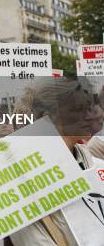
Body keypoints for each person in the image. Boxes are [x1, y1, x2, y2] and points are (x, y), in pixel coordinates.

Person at [9, 78, 104, 245]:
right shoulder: (17, 186)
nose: (91, 115)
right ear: (49, 118)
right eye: (80, 109)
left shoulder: (98, 166)